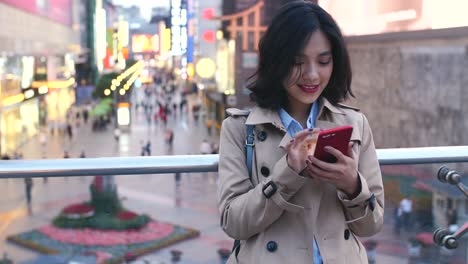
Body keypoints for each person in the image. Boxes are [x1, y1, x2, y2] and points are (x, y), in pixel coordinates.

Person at [217, 2, 384, 263]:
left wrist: (352, 186)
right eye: (297, 62)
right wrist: (286, 175)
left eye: (324, 61)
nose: (312, 75)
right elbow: (233, 223)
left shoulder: (354, 124)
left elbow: (372, 225)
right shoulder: (240, 128)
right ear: (276, 61)